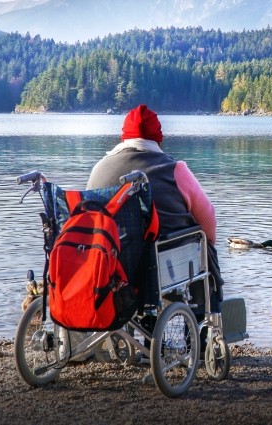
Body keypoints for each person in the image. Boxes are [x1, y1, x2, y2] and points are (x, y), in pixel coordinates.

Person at [86, 104, 224, 320]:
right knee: (205, 245)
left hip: (109, 266)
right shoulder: (176, 170)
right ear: (158, 139)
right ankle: (203, 323)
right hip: (163, 266)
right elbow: (209, 221)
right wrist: (208, 242)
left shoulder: (99, 169)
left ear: (124, 137)